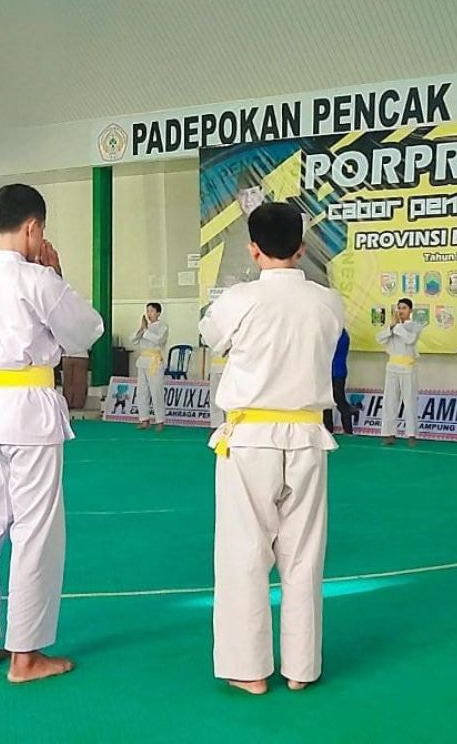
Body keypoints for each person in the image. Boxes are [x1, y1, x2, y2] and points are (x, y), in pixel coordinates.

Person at [0, 184, 105, 683]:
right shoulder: (39, 280)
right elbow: (88, 330)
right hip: (29, 412)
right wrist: (56, 275)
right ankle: (25, 655)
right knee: (34, 531)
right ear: (34, 228)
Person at [200, 201, 344, 695]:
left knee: (245, 551)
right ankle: (302, 667)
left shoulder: (237, 300)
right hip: (307, 436)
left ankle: (249, 668)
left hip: (252, 438)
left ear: (253, 250)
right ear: (302, 249)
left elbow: (209, 338)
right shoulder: (328, 301)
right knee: (303, 555)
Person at [376, 298, 423, 446]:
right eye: (399, 308)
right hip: (392, 367)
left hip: (408, 367)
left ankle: (411, 434)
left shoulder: (415, 326)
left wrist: (396, 327)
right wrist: (391, 327)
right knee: (390, 401)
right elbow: (379, 338)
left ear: (410, 310)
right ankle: (389, 433)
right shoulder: (392, 327)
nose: (400, 311)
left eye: (404, 308)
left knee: (409, 401)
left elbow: (410, 340)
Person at [130, 302, 168, 430]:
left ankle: (160, 420)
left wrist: (146, 330)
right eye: (147, 311)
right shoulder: (145, 327)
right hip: (143, 361)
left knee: (156, 391)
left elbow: (158, 340)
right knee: (142, 391)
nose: (149, 314)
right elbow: (133, 340)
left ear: (158, 313)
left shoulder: (163, 326)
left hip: (155, 361)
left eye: (152, 311)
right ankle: (144, 419)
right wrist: (141, 329)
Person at [323, 329, 354, 435]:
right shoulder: (336, 334)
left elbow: (329, 350)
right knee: (326, 403)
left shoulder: (341, 335)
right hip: (329, 372)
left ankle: (348, 430)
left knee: (340, 401)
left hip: (337, 372)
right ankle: (328, 430)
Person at [208, 349, 227, 429]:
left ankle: (229, 424)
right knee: (214, 398)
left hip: (229, 366)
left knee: (228, 399)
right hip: (215, 366)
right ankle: (216, 426)